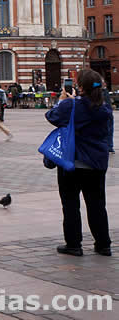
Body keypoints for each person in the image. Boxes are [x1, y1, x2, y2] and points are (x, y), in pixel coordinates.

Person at [45, 69, 112, 257]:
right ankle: (103, 244)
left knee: (70, 203)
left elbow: (52, 116)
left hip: (72, 162)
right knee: (97, 204)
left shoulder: (71, 106)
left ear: (80, 87)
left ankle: (74, 244)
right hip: (96, 163)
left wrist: (63, 101)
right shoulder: (104, 108)